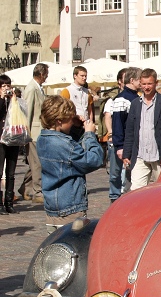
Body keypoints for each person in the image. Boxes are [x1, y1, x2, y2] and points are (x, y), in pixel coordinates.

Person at [37, 96, 103, 233]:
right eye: (70, 119)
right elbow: (94, 160)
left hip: (52, 207)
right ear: (59, 121)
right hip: (70, 208)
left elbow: (69, 151)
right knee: (73, 243)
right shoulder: (64, 144)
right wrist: (90, 135)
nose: (72, 122)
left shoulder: (42, 138)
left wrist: (76, 127)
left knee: (55, 243)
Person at [122, 68, 161, 190]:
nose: (146, 87)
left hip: (159, 155)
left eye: (149, 84)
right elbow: (130, 131)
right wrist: (126, 153)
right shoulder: (135, 104)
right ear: (140, 83)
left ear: (156, 83)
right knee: (136, 191)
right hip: (140, 155)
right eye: (144, 84)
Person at [18, 62, 48, 203]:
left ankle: (24, 188)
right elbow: (27, 112)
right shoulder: (31, 88)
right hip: (33, 132)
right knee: (37, 164)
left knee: (35, 163)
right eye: (46, 74)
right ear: (41, 74)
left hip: (39, 131)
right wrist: (26, 134)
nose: (46, 77)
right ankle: (37, 192)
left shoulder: (38, 88)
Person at [110, 67, 141, 201]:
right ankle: (117, 201)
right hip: (125, 144)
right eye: (140, 80)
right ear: (132, 80)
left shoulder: (137, 97)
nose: (142, 83)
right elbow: (117, 123)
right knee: (120, 175)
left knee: (132, 175)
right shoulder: (121, 99)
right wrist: (120, 146)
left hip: (134, 144)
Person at [0, 75, 29, 214]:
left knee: (11, 173)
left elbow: (22, 114)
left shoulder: (14, 100)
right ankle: (0, 204)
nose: (6, 88)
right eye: (3, 86)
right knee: (0, 172)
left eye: (8, 85)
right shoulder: (1, 100)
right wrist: (1, 98)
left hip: (13, 139)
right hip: (1, 139)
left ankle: (9, 202)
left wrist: (14, 100)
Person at [102, 68, 127, 200]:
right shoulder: (112, 99)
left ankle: (128, 195)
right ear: (119, 82)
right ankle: (114, 196)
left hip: (129, 139)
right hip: (115, 139)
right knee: (115, 172)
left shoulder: (135, 97)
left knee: (130, 170)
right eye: (125, 79)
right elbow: (108, 116)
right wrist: (111, 132)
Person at [60, 66, 94, 140]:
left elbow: (90, 109)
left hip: (85, 126)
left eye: (85, 76)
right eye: (82, 76)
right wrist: (75, 116)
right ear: (75, 76)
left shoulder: (87, 92)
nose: (84, 78)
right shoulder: (67, 91)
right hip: (72, 126)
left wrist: (90, 122)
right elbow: (62, 111)